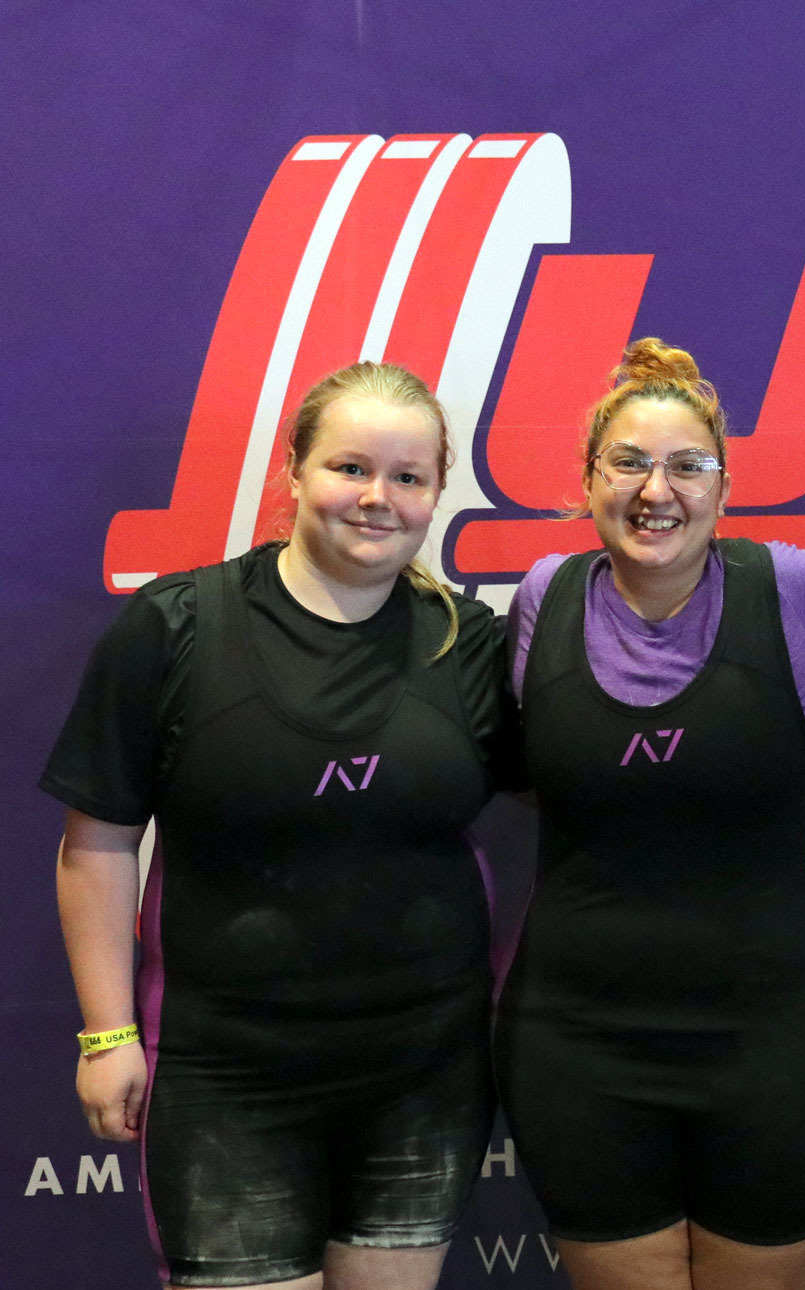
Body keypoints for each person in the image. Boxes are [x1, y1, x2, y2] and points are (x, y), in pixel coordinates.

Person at [45, 362, 511, 1290]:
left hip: (425, 1076)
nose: (377, 498)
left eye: (408, 478)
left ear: (435, 496)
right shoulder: (175, 628)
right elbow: (93, 846)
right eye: (350, 468)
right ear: (292, 472)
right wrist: (106, 1035)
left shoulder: (470, 642)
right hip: (229, 1079)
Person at [495, 339, 805, 1290]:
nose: (654, 489)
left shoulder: (801, 589)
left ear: (724, 485)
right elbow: (542, 768)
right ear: (587, 481)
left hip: (776, 1038)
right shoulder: (544, 598)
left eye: (686, 466)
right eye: (627, 462)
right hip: (578, 1043)